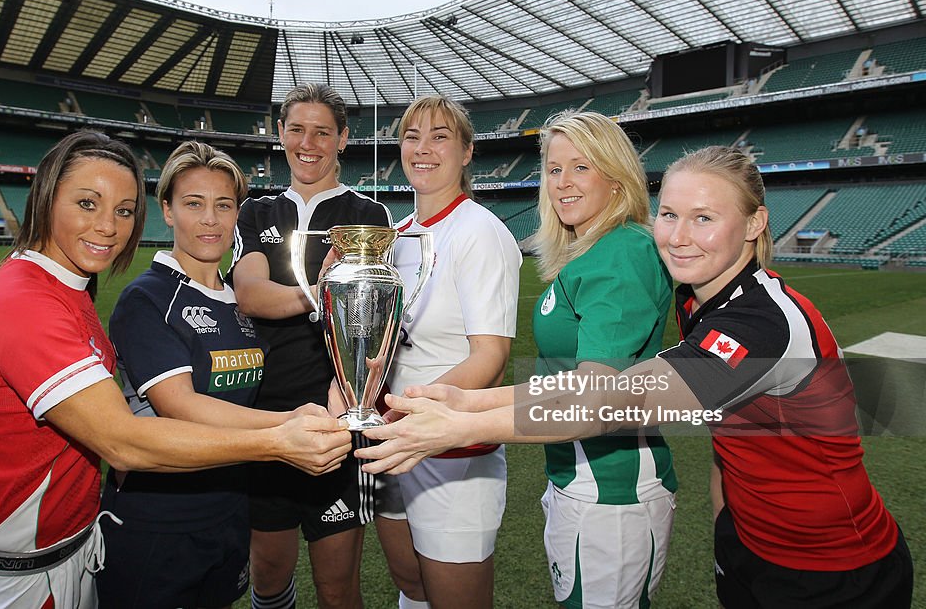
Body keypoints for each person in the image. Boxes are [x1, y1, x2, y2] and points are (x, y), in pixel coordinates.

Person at [357, 146, 914, 608]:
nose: (677, 236)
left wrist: (458, 427)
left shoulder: (761, 321)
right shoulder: (706, 301)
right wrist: (467, 401)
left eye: (704, 217)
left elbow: (613, 402)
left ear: (754, 223)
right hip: (753, 547)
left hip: (837, 566)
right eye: (669, 215)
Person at [0, 130, 352, 609]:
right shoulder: (27, 303)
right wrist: (280, 437)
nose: (108, 227)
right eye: (87, 203)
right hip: (18, 569)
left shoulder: (70, 291)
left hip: (78, 544)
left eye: (122, 210)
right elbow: (123, 441)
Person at [96, 141, 328, 608]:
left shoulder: (240, 307)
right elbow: (179, 405)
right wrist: (288, 429)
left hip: (229, 511)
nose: (210, 219)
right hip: (158, 519)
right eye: (193, 204)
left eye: (224, 205)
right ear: (167, 210)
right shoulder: (148, 300)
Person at [231, 83, 391, 609]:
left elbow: (371, 326)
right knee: (270, 575)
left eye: (322, 131)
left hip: (334, 416)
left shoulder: (368, 217)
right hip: (265, 420)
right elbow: (252, 296)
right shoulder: (256, 212)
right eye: (296, 129)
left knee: (337, 584)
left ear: (343, 139)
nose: (308, 142)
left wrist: (341, 404)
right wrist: (320, 291)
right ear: (280, 135)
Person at [522, 110, 676, 608]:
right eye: (553, 168)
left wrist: (462, 425)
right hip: (578, 479)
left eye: (581, 167)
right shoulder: (591, 251)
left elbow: (594, 398)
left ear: (615, 177)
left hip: (609, 491)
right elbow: (557, 382)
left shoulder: (623, 251)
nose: (562, 182)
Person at [374, 95, 521, 609]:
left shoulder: (480, 232)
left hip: (454, 451)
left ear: (466, 152)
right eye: (412, 136)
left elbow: (490, 358)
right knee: (409, 584)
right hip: (394, 442)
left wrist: (405, 411)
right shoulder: (393, 236)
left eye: (440, 136)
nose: (423, 148)